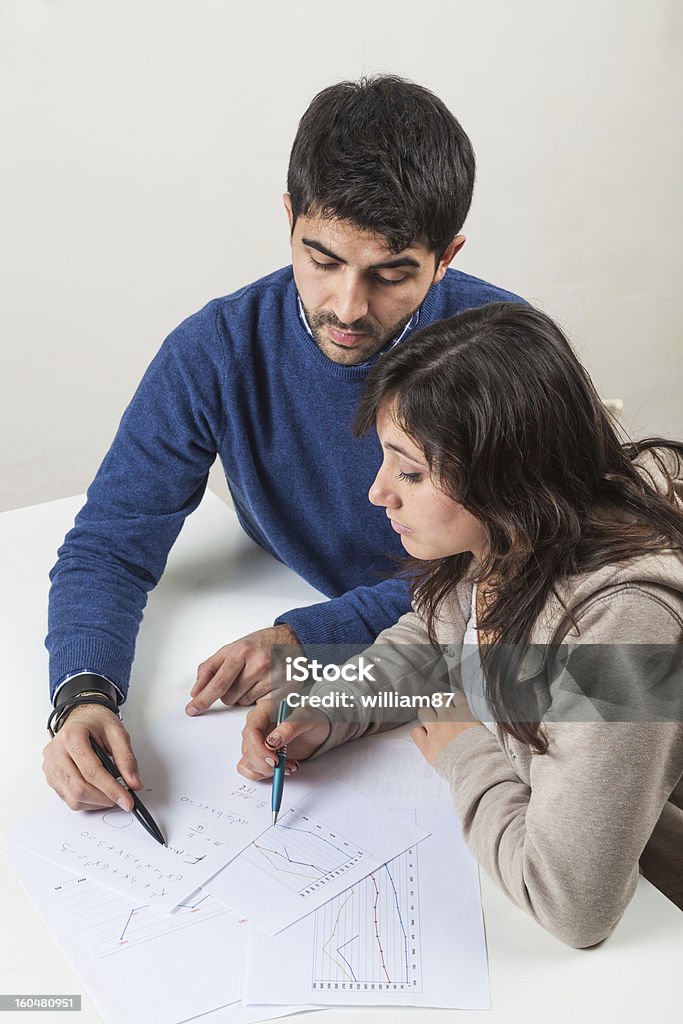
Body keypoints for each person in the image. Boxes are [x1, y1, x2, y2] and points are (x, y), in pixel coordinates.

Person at [42, 75, 524, 813]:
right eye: (322, 259)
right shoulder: (216, 350)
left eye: (392, 274)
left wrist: (314, 640)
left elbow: (520, 565)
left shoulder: (505, 353)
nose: (347, 308)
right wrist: (81, 694)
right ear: (289, 218)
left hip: (483, 662)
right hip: (388, 671)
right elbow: (109, 545)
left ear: (446, 254)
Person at [239, 302, 683, 946]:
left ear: (507, 475)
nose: (379, 492)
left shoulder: (624, 622)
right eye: (388, 460)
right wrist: (329, 705)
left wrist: (458, 747)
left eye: (411, 472)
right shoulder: (502, 540)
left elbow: (572, 901)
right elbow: (438, 640)